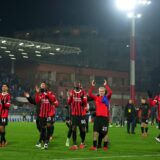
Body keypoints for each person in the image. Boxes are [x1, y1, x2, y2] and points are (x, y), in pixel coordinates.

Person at [89, 80, 112, 151]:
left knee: (105, 133)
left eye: (102, 91)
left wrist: (106, 85)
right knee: (95, 132)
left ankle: (105, 146)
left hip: (104, 119)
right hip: (97, 118)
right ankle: (94, 146)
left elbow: (110, 92)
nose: (101, 92)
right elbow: (89, 94)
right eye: (100, 91)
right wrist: (92, 86)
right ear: (98, 91)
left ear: (104, 92)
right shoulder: (96, 98)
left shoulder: (106, 97)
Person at [35, 82, 58, 149]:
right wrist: (37, 93)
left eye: (43, 85)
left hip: (49, 114)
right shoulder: (40, 94)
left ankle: (46, 143)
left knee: (48, 127)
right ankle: (42, 142)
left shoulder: (51, 94)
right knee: (43, 129)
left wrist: (46, 94)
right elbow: (37, 101)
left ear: (46, 87)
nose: (42, 86)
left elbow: (53, 101)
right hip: (42, 114)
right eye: (41, 85)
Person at [68, 82, 87, 150]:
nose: (76, 85)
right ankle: (75, 144)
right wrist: (70, 97)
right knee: (73, 128)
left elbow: (85, 103)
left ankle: (82, 143)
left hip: (82, 114)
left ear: (80, 85)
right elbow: (69, 102)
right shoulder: (71, 92)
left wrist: (82, 98)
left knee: (83, 129)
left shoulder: (83, 92)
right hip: (74, 114)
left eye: (78, 84)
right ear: (74, 85)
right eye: (75, 84)